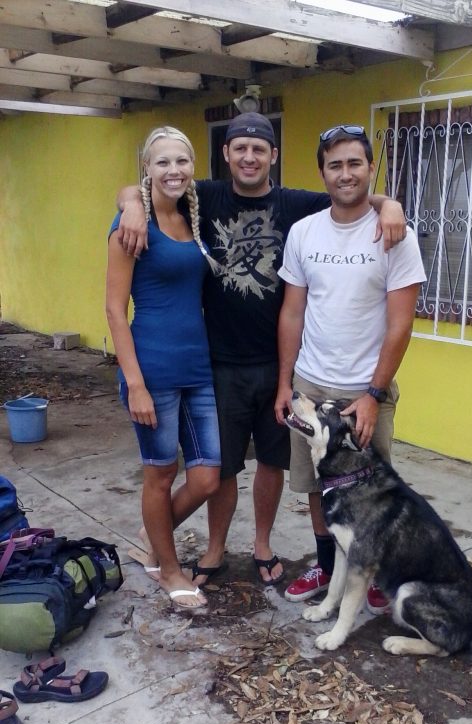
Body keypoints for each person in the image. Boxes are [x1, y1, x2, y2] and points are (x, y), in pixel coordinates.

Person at [116, 112, 406, 587]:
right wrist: (130, 201)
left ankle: (263, 544)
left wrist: (389, 204)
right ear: (226, 155)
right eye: (239, 148)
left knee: (272, 461)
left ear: (274, 156)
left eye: (259, 148)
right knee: (221, 467)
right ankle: (213, 549)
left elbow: (349, 193)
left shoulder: (296, 204)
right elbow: (144, 186)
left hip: (279, 365)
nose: (249, 157)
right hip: (218, 362)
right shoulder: (202, 195)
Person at [274, 124, 426, 613]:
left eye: (354, 163)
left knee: (372, 491)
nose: (345, 173)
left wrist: (374, 394)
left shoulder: (394, 233)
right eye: (335, 165)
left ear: (369, 169)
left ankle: (372, 572)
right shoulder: (304, 232)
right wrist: (285, 383)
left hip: (365, 389)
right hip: (311, 384)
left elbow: (401, 324)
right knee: (319, 486)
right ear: (323, 172)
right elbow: (292, 312)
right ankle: (326, 564)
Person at [106, 126, 221, 610]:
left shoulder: (193, 217)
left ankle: (152, 539)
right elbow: (114, 309)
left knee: (206, 477)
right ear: (147, 169)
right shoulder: (131, 226)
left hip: (198, 368)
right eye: (162, 162)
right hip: (151, 369)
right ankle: (167, 567)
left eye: (182, 161)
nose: (173, 170)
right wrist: (134, 384)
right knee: (160, 473)